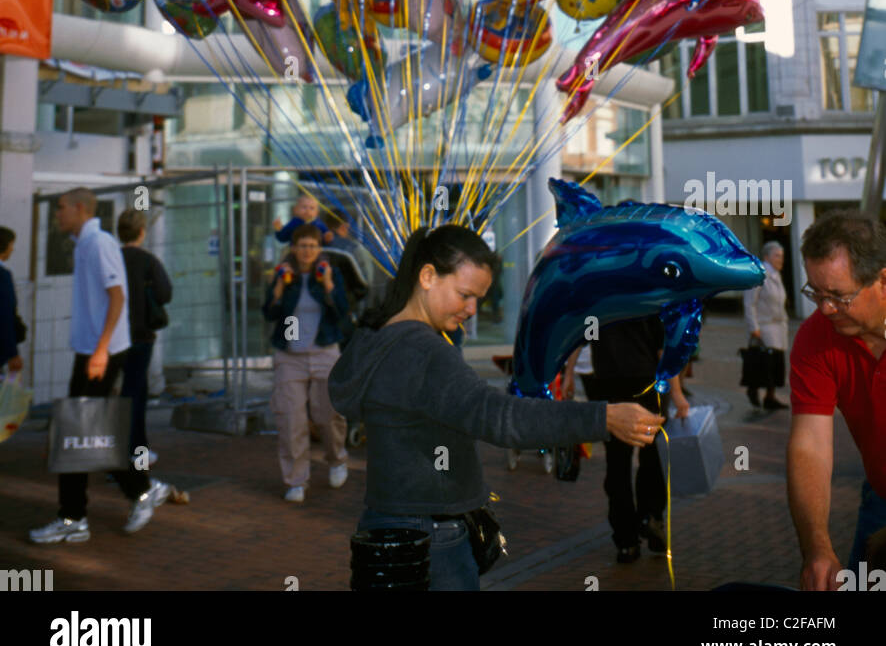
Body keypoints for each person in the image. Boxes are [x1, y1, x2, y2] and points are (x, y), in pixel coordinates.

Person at [328, 225, 665, 592]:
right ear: (427, 276)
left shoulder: (379, 335)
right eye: (464, 295)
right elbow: (499, 417)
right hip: (432, 534)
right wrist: (603, 417)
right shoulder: (424, 352)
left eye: (479, 300)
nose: (472, 310)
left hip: (385, 520)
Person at [30, 189, 162, 544]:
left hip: (99, 354)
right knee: (80, 433)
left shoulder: (99, 243)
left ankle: (90, 511)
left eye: (60, 208)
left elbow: (118, 296)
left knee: (80, 433)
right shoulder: (86, 243)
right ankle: (109, 503)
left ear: (79, 208)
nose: (56, 214)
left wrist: (102, 351)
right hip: (91, 351)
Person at [787, 211, 886, 591]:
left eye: (839, 296)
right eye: (815, 293)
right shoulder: (816, 338)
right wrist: (816, 547)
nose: (825, 309)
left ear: (882, 281)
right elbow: (810, 445)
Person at [563, 315, 690, 563]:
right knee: (652, 455)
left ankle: (626, 540)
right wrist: (677, 393)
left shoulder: (601, 296)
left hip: (609, 384)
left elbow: (581, 335)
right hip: (647, 384)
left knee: (617, 462)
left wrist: (569, 373)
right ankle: (650, 516)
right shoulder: (651, 297)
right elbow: (664, 351)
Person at [263, 222, 350, 502]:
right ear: (293, 248)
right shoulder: (283, 275)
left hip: (324, 350)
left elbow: (343, 315)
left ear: (319, 249)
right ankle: (296, 480)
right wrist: (277, 288)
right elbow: (268, 312)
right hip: (290, 356)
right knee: (291, 419)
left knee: (328, 415)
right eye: (302, 246)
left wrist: (328, 287)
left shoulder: (330, 273)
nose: (307, 251)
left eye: (312, 246)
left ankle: (337, 459)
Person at [118, 209, 173, 474]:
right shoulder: (148, 261)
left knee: (118, 393)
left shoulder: (112, 258)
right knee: (136, 393)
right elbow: (165, 294)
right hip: (141, 335)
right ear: (142, 232)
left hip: (114, 336)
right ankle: (136, 451)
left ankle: (114, 448)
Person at [742, 239, 789, 410]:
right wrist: (753, 327)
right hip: (764, 327)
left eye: (782, 256)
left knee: (776, 365)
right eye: (777, 256)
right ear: (767, 257)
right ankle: (753, 389)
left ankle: (771, 397)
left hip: (778, 327)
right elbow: (749, 303)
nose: (781, 259)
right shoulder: (759, 274)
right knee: (763, 364)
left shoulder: (776, 274)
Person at [0, 226, 24, 373]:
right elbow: (4, 316)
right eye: (11, 245)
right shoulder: (3, 276)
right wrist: (13, 353)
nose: (12, 249)